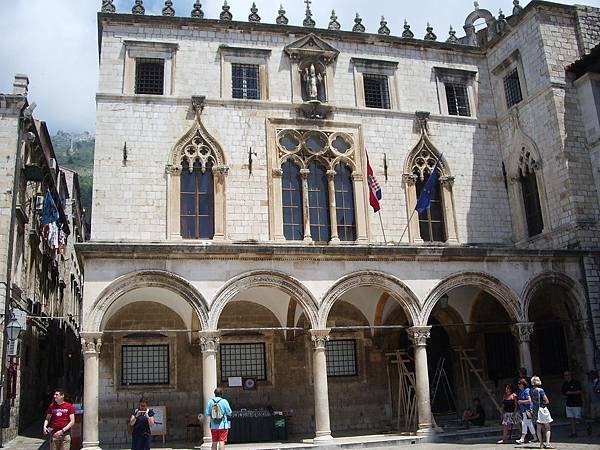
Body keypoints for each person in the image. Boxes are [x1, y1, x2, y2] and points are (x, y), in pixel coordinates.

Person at [531, 376, 553, 449]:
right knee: (547, 427)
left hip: (535, 409)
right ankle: (548, 443)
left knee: (538, 428)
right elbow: (546, 401)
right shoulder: (540, 390)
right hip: (542, 409)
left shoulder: (531, 390)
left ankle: (541, 444)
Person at [562, 370, 585, 437]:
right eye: (565, 375)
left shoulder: (576, 383)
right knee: (571, 418)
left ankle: (587, 425)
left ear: (570, 375)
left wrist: (571, 393)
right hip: (569, 403)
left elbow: (580, 391)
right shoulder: (565, 384)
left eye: (567, 375)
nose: (566, 377)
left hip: (576, 402)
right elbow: (563, 392)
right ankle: (574, 432)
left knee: (578, 417)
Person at [516, 378, 537, 444]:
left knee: (524, 423)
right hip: (524, 411)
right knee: (529, 424)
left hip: (528, 410)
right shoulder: (521, 392)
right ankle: (535, 437)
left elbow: (529, 400)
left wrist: (521, 401)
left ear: (523, 384)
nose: (518, 385)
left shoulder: (526, 391)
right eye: (518, 384)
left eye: (520, 384)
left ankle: (522, 438)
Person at [587, 370, 600, 435]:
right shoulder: (590, 384)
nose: (589, 377)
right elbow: (589, 394)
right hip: (593, 402)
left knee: (598, 417)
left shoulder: (598, 383)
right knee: (594, 418)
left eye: (590, 375)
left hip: (598, 402)